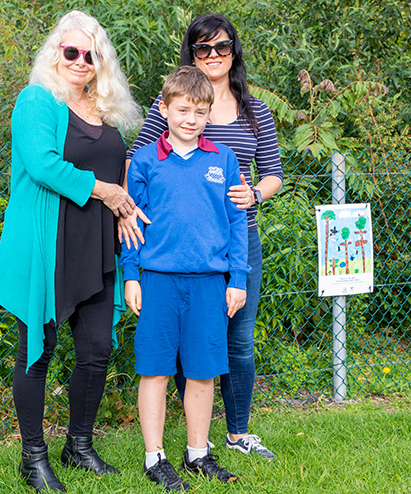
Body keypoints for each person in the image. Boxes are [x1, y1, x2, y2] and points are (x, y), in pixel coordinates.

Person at [0, 10, 143, 493]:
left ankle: (78, 445)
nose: (79, 60)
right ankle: (33, 458)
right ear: (56, 54)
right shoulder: (36, 101)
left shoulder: (107, 112)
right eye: (70, 51)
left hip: (96, 248)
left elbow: (120, 171)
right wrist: (107, 193)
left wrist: (124, 205)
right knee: (39, 351)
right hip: (48, 245)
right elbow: (41, 165)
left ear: (100, 62)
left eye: (89, 54)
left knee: (96, 352)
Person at [123, 13, 284, 459]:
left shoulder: (254, 112)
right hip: (167, 255)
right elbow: (139, 162)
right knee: (177, 348)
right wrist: (129, 214)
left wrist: (252, 194)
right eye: (203, 48)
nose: (213, 56)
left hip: (232, 243)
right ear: (191, 54)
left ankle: (235, 431)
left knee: (238, 340)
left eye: (222, 47)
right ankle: (187, 441)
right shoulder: (174, 102)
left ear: (234, 51)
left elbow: (273, 175)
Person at [122, 65, 249, 491]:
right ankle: (154, 457)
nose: (190, 119)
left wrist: (238, 278)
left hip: (210, 284)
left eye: (199, 111)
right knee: (155, 370)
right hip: (157, 280)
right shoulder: (144, 160)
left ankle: (198, 453)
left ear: (208, 114)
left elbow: (236, 224)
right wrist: (131, 274)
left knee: (202, 372)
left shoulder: (223, 160)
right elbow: (130, 225)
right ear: (164, 108)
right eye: (182, 110)